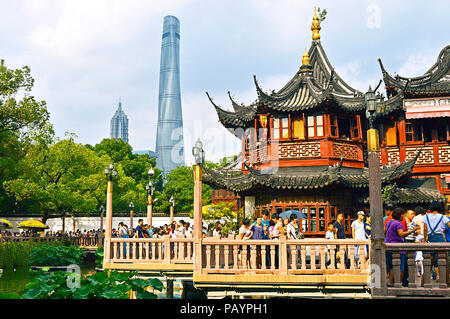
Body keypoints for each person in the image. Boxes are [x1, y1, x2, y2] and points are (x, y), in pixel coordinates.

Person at [385, 207, 419, 287]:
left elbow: (384, 232)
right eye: (402, 216)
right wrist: (413, 230)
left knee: (392, 266)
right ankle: (398, 283)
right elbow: (401, 234)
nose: (403, 217)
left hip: (389, 246)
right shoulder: (398, 223)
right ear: (399, 215)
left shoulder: (389, 222)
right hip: (398, 248)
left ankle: (390, 282)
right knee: (401, 267)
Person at [422, 201, 450, 282]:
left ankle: (424, 284)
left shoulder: (426, 217)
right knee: (444, 262)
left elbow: (425, 229)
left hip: (430, 240)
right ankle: (447, 283)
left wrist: (425, 239)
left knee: (428, 263)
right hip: (440, 240)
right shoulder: (443, 217)